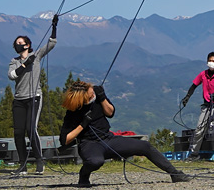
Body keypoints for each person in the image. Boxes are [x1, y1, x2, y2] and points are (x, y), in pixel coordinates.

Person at [60, 80, 191, 187]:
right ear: (83, 98)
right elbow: (65, 140)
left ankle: (175, 174)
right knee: (95, 162)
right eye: (90, 95)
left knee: (144, 146)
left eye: (93, 93)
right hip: (89, 144)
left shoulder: (98, 99)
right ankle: (84, 176)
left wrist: (102, 97)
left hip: (108, 139)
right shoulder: (72, 113)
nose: (92, 95)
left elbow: (110, 113)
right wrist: (82, 125)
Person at [7, 15, 58, 176]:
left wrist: (54, 26)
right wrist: (24, 65)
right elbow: (12, 75)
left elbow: (51, 44)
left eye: (20, 43)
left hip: (34, 97)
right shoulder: (14, 61)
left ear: (27, 45)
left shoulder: (36, 56)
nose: (17, 45)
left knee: (31, 129)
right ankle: (22, 165)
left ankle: (39, 161)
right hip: (19, 100)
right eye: (16, 43)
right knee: (18, 132)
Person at [181, 51, 214, 162]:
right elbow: (194, 86)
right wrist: (187, 97)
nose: (211, 63)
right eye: (210, 61)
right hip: (207, 106)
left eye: (213, 61)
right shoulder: (203, 74)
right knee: (199, 129)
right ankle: (194, 154)